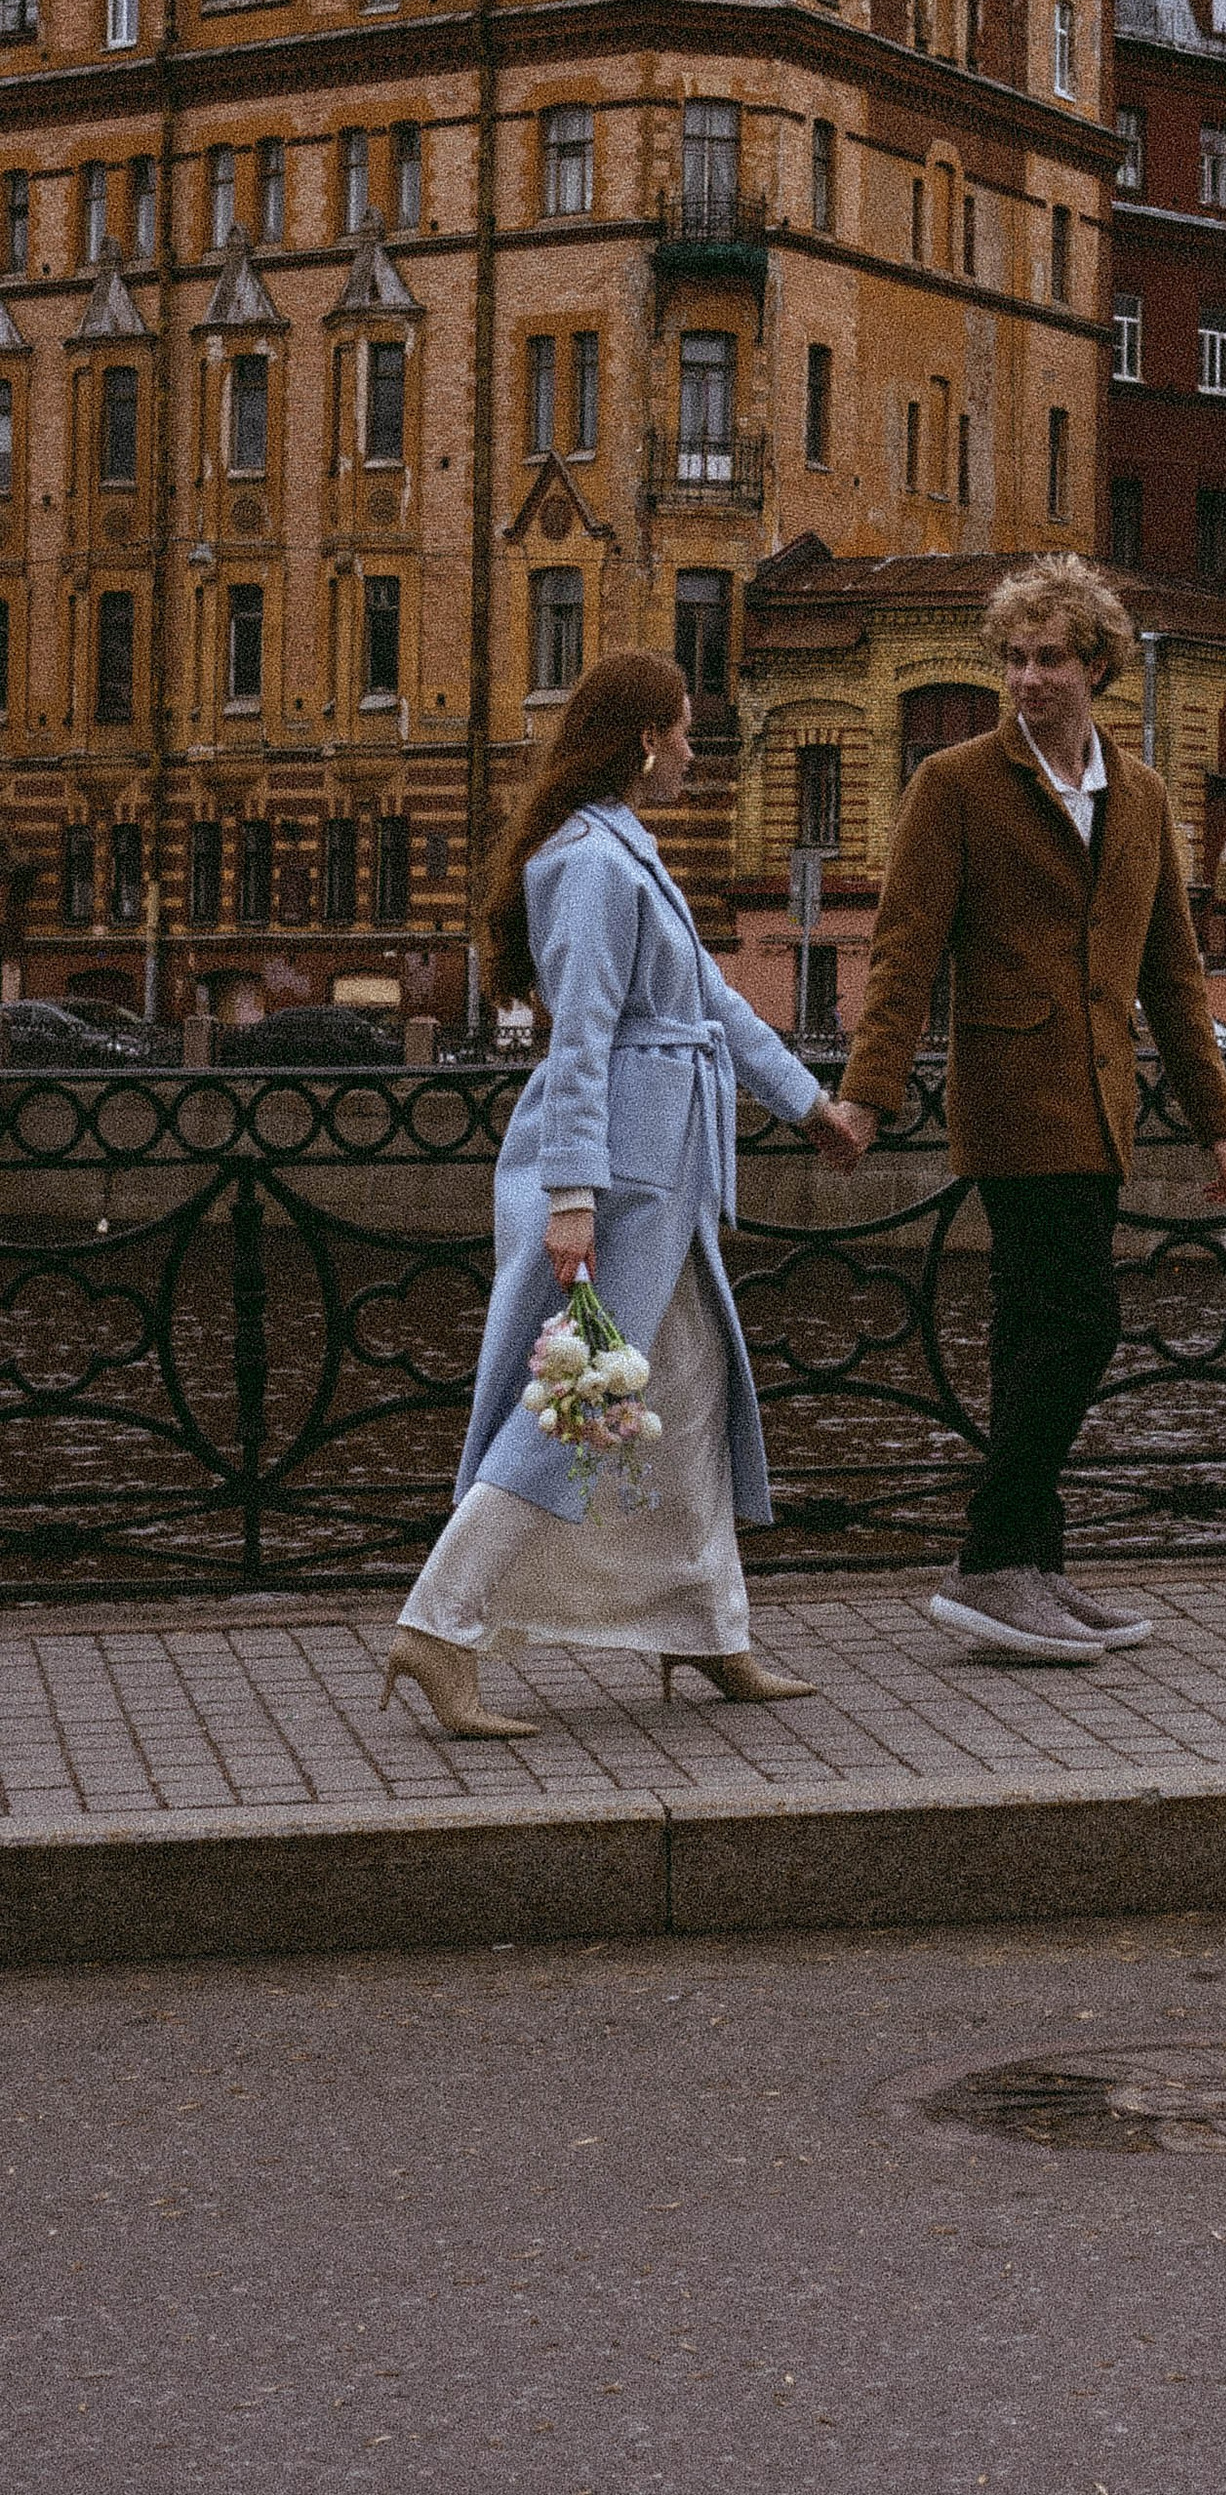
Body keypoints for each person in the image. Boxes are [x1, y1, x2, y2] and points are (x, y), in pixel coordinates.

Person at [382, 654, 866, 1738]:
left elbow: (715, 1006)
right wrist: (572, 1197)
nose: (696, 748)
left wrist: (809, 1105)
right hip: (629, 1179)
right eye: (687, 730)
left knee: (683, 1401)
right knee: (581, 1403)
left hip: (664, 1174)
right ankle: (438, 1623)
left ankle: (707, 1629)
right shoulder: (595, 865)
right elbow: (586, 1038)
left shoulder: (622, 854)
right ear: (645, 738)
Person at [835, 557, 1226, 1665]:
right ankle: (986, 1563)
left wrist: (1216, 1114)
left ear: (1098, 666)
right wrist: (867, 1097)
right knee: (1074, 1323)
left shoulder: (1144, 795)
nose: (1027, 679)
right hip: (1015, 1099)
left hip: (1104, 1100)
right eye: (1013, 659)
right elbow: (904, 955)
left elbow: (1174, 972)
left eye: (1050, 659)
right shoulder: (956, 785)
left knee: (1039, 1333)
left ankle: (1034, 1565)